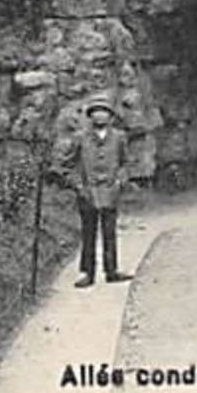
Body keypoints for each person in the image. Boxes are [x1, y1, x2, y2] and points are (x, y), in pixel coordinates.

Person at [52, 92, 134, 288]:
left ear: (110, 116)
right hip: (88, 193)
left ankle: (112, 270)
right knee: (88, 233)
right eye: (96, 112)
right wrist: (78, 185)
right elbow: (66, 165)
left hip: (110, 192)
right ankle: (88, 272)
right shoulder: (81, 139)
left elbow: (126, 163)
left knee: (109, 232)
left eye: (104, 112)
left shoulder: (118, 138)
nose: (100, 116)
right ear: (90, 116)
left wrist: (119, 181)